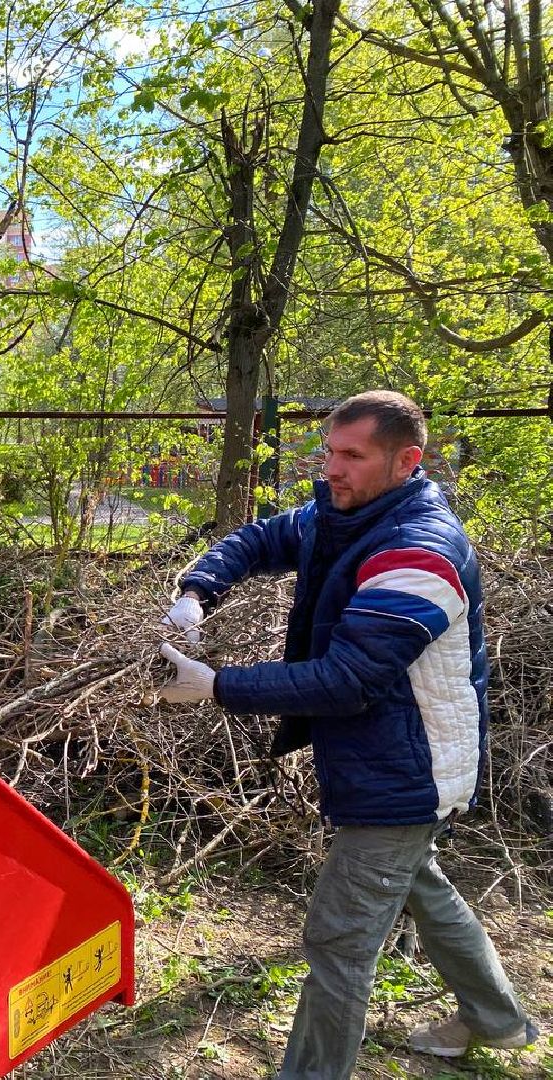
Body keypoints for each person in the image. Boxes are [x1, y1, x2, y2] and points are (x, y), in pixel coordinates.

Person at [153, 390, 536, 1079]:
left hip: (408, 774)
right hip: (383, 757)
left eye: (351, 456)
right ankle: (496, 1019)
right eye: (329, 450)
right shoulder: (347, 512)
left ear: (406, 461)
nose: (331, 468)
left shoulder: (419, 551)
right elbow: (262, 539)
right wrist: (196, 590)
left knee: (337, 941)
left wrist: (215, 685)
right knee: (423, 886)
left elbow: (345, 679)